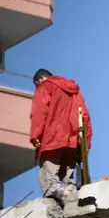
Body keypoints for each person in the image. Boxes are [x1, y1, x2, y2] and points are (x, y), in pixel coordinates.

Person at [30, 69, 92, 203]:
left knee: (50, 183)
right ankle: (70, 200)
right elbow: (85, 115)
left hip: (52, 138)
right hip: (72, 140)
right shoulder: (74, 90)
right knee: (67, 181)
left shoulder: (45, 86)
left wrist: (35, 135)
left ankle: (56, 204)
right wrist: (86, 143)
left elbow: (39, 112)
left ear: (40, 78)